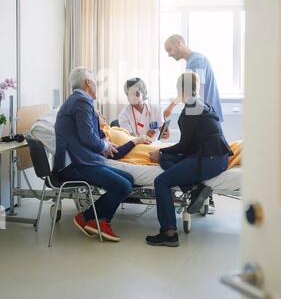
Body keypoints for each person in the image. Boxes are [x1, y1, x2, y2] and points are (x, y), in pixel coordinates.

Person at [146, 72, 232, 247]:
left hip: (209, 160)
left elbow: (184, 147)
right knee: (167, 159)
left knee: (161, 182)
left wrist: (160, 151)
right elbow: (189, 146)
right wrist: (165, 154)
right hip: (218, 157)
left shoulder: (191, 109)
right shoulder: (202, 104)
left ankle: (169, 232)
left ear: (180, 89)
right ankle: (194, 188)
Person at [53, 66, 135, 243]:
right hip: (75, 165)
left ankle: (93, 219)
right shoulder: (81, 101)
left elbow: (88, 135)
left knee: (129, 179)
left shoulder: (76, 101)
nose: (96, 86)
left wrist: (104, 141)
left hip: (82, 161)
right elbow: (87, 137)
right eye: (95, 82)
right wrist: (104, 146)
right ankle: (90, 218)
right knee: (123, 186)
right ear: (88, 83)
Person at [164, 34, 223, 122]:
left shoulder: (197, 61)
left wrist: (171, 106)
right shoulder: (192, 61)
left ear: (179, 43)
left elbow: (194, 91)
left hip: (206, 115)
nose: (169, 55)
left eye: (169, 49)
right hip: (205, 114)